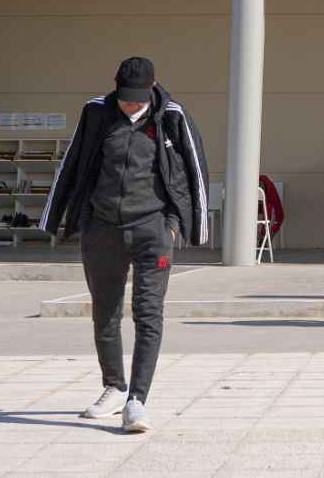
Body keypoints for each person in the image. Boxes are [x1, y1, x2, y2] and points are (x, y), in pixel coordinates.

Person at [38, 57, 210, 433]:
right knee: (105, 314)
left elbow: (195, 169)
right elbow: (72, 164)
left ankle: (137, 401)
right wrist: (69, 221)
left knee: (148, 315)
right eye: (124, 98)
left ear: (153, 86)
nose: (130, 105)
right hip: (102, 229)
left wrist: (178, 225)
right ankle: (114, 388)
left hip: (153, 231)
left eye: (137, 99)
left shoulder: (173, 117)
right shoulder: (97, 112)